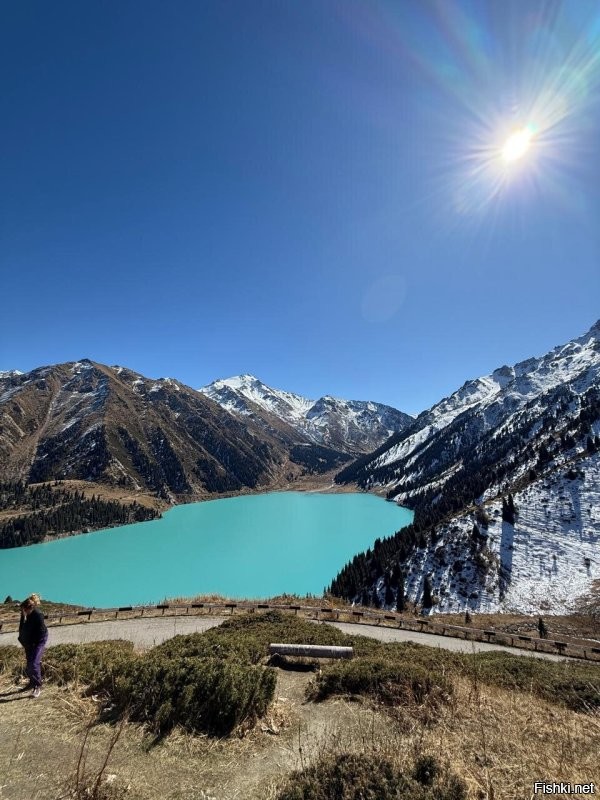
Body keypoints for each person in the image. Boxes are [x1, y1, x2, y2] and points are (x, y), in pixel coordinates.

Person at [17, 593, 48, 698]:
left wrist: (32, 645)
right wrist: (22, 617)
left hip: (39, 640)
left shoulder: (38, 615)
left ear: (29, 608)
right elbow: (21, 630)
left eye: (23, 610)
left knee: (34, 663)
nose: (23, 612)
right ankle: (31, 683)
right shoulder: (26, 615)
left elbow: (39, 633)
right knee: (29, 663)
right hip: (30, 641)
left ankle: (37, 686)